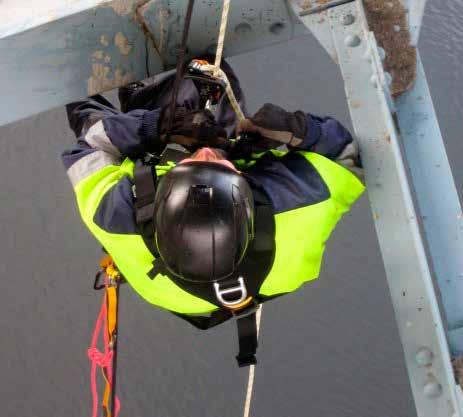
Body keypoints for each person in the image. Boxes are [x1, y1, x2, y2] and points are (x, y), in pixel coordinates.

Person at [63, 59, 365, 366]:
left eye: (191, 163)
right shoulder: (298, 204)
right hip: (212, 283)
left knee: (94, 118)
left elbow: (87, 150)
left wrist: (154, 126)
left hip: (168, 291)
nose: (204, 152)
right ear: (249, 195)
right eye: (217, 165)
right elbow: (347, 160)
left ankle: (115, 86)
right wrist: (298, 131)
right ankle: (169, 88)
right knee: (207, 102)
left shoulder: (117, 217)